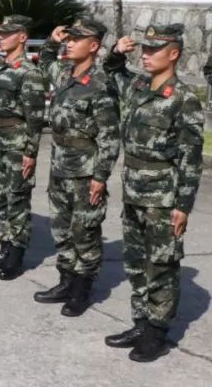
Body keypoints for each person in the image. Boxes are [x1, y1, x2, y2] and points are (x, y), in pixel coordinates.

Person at [103, 24, 204, 362]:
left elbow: (191, 159)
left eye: (152, 50)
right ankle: (141, 322)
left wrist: (183, 206)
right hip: (134, 193)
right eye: (142, 50)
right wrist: (117, 51)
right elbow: (112, 70)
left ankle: (157, 333)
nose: (144, 56)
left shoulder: (183, 98)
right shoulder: (138, 87)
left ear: (173, 53)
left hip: (163, 198)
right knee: (135, 263)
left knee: (160, 265)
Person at [34, 19, 120, 316]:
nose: (69, 43)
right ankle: (65, 280)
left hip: (85, 171)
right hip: (59, 164)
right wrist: (51, 40)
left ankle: (83, 288)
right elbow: (45, 62)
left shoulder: (101, 83)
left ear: (93, 46)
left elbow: (110, 135)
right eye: (68, 38)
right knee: (61, 227)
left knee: (85, 230)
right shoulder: (64, 72)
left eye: (76, 39)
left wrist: (101, 176)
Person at [0, 16, 48, 280]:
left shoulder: (28, 72)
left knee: (17, 198)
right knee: (1, 197)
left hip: (18, 143)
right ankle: (5, 247)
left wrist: (31, 152)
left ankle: (17, 256)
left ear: (22, 37)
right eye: (0, 34)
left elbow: (35, 118)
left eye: (7, 34)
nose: (2, 37)